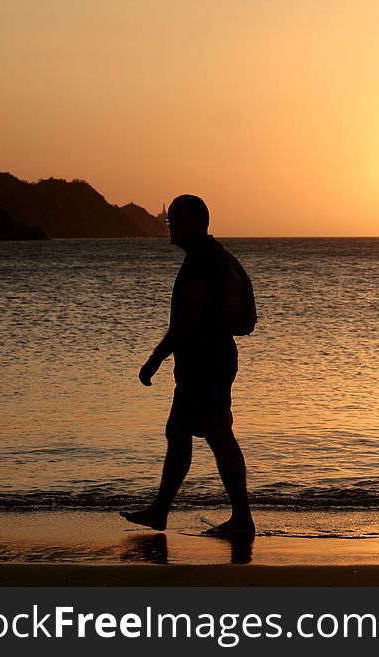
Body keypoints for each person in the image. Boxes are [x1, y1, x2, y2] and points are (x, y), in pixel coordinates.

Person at [120, 194, 255, 538]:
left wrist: (155, 358)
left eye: (175, 220)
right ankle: (161, 511)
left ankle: (241, 519)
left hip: (205, 364)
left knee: (216, 436)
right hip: (215, 359)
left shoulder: (202, 261)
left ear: (197, 221)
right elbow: (247, 321)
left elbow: (186, 321)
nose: (170, 227)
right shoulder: (223, 258)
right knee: (182, 432)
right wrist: (219, 325)